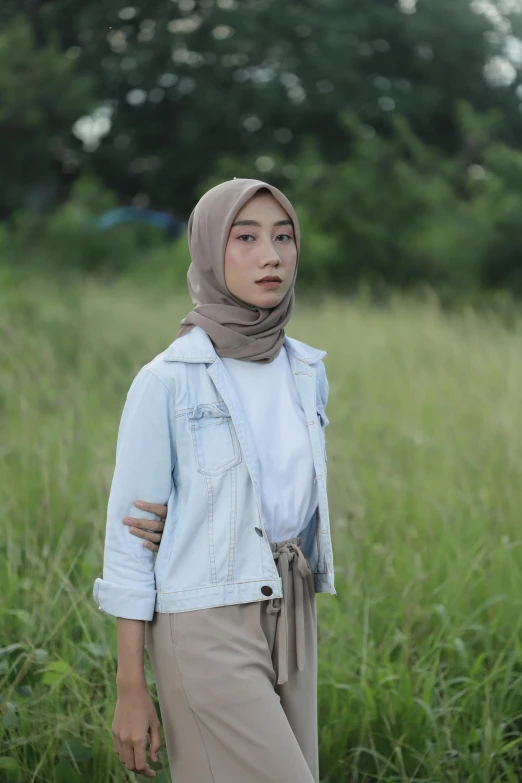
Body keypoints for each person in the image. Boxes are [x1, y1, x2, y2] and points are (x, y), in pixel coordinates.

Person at [93, 178, 337, 781]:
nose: (271, 256)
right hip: (204, 619)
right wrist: (131, 686)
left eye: (283, 237)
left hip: (292, 605)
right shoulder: (171, 380)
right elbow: (129, 538)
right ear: (207, 249)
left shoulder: (306, 370)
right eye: (245, 237)